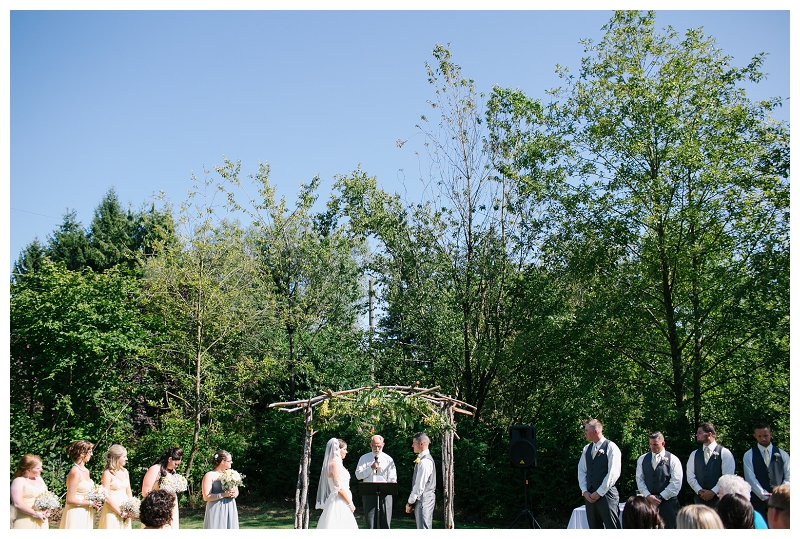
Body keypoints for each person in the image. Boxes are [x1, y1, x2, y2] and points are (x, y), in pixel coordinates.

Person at [577, 419, 621, 529]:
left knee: (612, 527)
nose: (585, 433)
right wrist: (584, 491)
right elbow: (582, 471)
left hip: (607, 495)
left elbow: (613, 473)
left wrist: (599, 492)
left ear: (595, 431)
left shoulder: (611, 447)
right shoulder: (586, 449)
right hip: (590, 496)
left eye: (587, 430)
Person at [742, 422, 790, 521]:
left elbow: (789, 476)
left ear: (770, 434)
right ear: (755, 436)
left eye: (765, 435)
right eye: (759, 436)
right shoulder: (749, 455)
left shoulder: (783, 454)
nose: (763, 438)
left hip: (780, 501)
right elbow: (750, 478)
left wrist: (778, 493)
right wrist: (764, 496)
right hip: (758, 502)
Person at [634, 431, 683, 528]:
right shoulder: (642, 459)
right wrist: (648, 496)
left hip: (668, 503)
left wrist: (661, 497)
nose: (652, 447)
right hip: (648, 503)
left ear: (663, 443)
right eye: (650, 444)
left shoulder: (673, 459)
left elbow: (676, 483)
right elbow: (640, 479)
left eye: (655, 444)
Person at [686, 422, 734, 507]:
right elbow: (690, 476)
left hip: (719, 500)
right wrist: (699, 490)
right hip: (699, 500)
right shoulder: (694, 454)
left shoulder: (724, 453)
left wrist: (713, 492)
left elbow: (727, 476)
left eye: (699, 433)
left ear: (709, 434)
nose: (697, 435)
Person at [355, 434, 397, 529]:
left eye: (379, 446)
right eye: (374, 445)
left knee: (385, 521)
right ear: (370, 445)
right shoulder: (364, 458)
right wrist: (371, 468)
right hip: (369, 492)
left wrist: (388, 484)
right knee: (370, 521)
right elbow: (358, 475)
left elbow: (393, 478)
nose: (377, 448)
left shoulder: (388, 459)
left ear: (383, 445)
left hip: (385, 492)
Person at [315, 438, 358, 529]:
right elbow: (338, 488)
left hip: (342, 500)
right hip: (339, 501)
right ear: (337, 450)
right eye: (344, 449)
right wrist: (350, 503)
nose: (346, 452)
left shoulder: (337, 464)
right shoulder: (334, 465)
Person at [59, 440, 103, 529]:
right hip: (76, 512)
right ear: (82, 454)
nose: (92, 454)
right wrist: (90, 503)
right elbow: (70, 499)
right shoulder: (75, 473)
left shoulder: (86, 471)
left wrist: (95, 500)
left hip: (86, 512)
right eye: (90, 452)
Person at [141, 446, 183, 529]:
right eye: (175, 464)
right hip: (158, 508)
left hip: (172, 506)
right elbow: (145, 492)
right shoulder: (155, 469)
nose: (176, 467)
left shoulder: (172, 472)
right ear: (170, 459)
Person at [405, 432, 436, 529]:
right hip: (425, 500)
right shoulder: (424, 459)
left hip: (424, 501)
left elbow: (419, 486)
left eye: (414, 443)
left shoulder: (425, 462)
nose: (412, 445)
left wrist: (410, 502)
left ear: (421, 443)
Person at [98, 444, 133, 529]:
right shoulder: (107, 473)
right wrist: (120, 512)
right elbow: (106, 497)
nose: (126, 459)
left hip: (125, 509)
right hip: (112, 510)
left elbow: (128, 491)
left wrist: (131, 506)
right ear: (117, 458)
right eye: (124, 456)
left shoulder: (125, 472)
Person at [10, 454, 50, 529]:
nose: (41, 469)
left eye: (41, 467)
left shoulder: (39, 479)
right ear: (28, 469)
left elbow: (47, 497)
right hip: (25, 520)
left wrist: (47, 511)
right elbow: (17, 503)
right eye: (38, 468)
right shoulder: (18, 481)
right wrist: (35, 513)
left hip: (42, 520)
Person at [202, 450, 239, 529]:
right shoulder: (210, 475)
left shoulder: (231, 474)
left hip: (230, 506)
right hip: (216, 508)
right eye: (229, 460)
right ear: (222, 461)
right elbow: (206, 497)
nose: (231, 462)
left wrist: (235, 493)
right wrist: (223, 495)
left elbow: (236, 490)